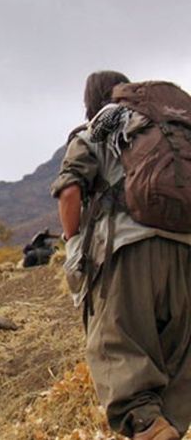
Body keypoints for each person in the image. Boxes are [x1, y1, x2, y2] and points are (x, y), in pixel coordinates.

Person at [52, 71, 191, 440]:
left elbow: (69, 191)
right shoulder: (166, 126)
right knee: (174, 361)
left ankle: (149, 426)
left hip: (129, 255)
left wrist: (73, 244)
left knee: (116, 349)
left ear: (90, 103)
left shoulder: (103, 125)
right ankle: (168, 427)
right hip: (185, 254)